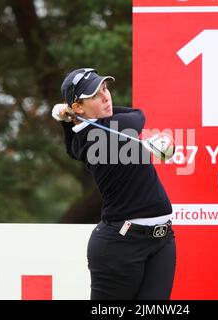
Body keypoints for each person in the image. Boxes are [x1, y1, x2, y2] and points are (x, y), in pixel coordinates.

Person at [54, 68, 176, 300]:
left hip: (161, 241)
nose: (106, 96)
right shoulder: (96, 137)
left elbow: (71, 146)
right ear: (78, 107)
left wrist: (66, 120)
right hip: (121, 245)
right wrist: (69, 119)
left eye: (105, 89)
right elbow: (137, 116)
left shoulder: (87, 132)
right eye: (95, 95)